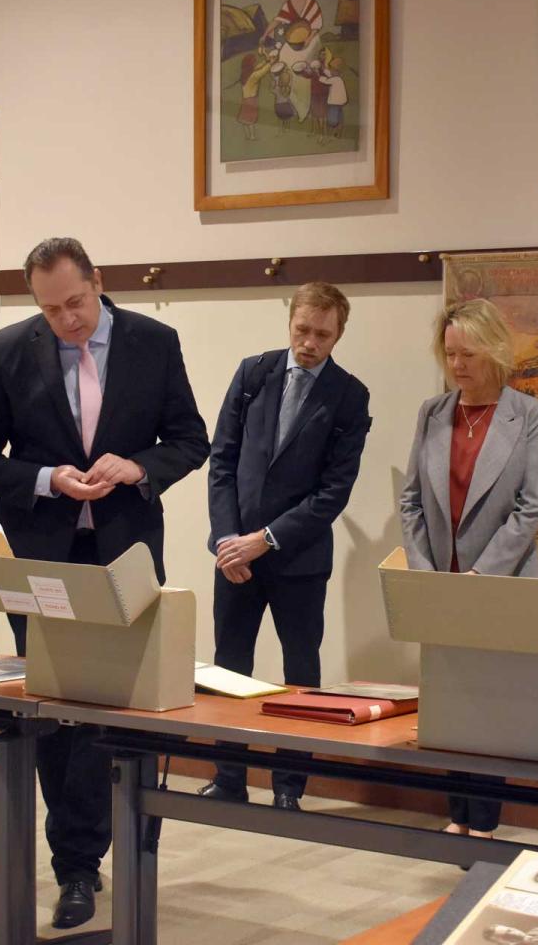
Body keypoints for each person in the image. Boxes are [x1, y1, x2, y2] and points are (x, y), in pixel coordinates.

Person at [0, 237, 209, 928]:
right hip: (42, 556)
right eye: (51, 309)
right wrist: (45, 479)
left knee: (107, 708)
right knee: (52, 711)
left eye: (76, 302)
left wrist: (137, 468)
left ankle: (88, 852)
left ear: (98, 280)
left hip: (122, 553)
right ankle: (74, 864)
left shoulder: (154, 342)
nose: (68, 320)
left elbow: (191, 439)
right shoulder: (10, 350)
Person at [200, 281, 371, 810]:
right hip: (235, 558)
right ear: (290, 321)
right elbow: (222, 461)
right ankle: (229, 776)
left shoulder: (349, 395)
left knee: (301, 672)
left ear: (338, 333)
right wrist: (229, 540)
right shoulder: (254, 374)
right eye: (303, 329)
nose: (310, 343)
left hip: (297, 559)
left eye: (322, 334)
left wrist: (265, 540)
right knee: (229, 665)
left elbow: (332, 493)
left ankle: (289, 785)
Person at [399, 298, 538, 838]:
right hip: (441, 583)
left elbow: (531, 507)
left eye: (468, 354)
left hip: (499, 585)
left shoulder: (528, 414)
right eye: (449, 354)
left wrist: (481, 577)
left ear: (493, 352)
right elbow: (411, 500)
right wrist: (426, 572)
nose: (457, 365)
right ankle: (455, 814)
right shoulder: (432, 413)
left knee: (492, 707)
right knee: (450, 703)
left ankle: (483, 819)